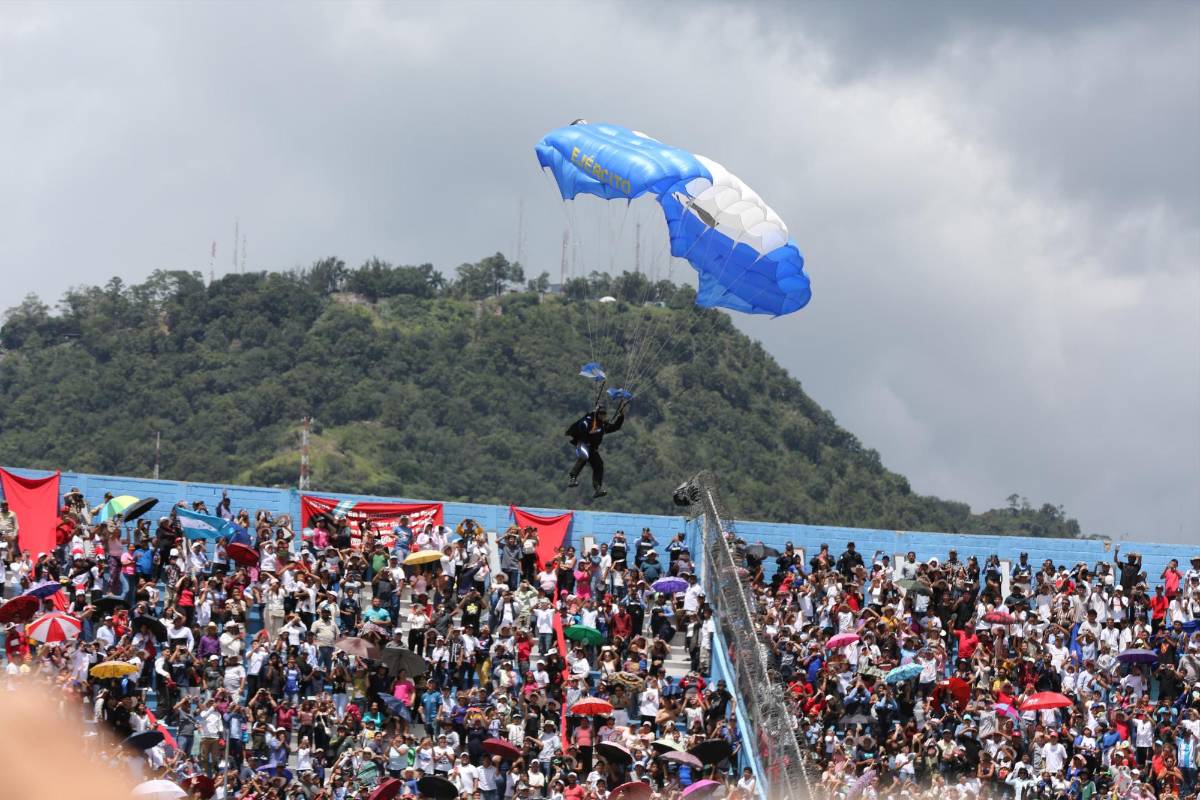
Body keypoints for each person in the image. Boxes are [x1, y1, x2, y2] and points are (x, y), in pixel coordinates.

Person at [565, 403, 625, 498]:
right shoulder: (589, 421)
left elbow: (615, 427)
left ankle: (597, 488)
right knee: (584, 456)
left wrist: (621, 416)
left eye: (604, 413)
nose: (602, 415)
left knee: (599, 465)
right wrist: (590, 415)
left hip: (592, 448)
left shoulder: (603, 425)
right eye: (601, 413)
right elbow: (581, 425)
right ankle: (572, 478)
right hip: (583, 444)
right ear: (597, 413)